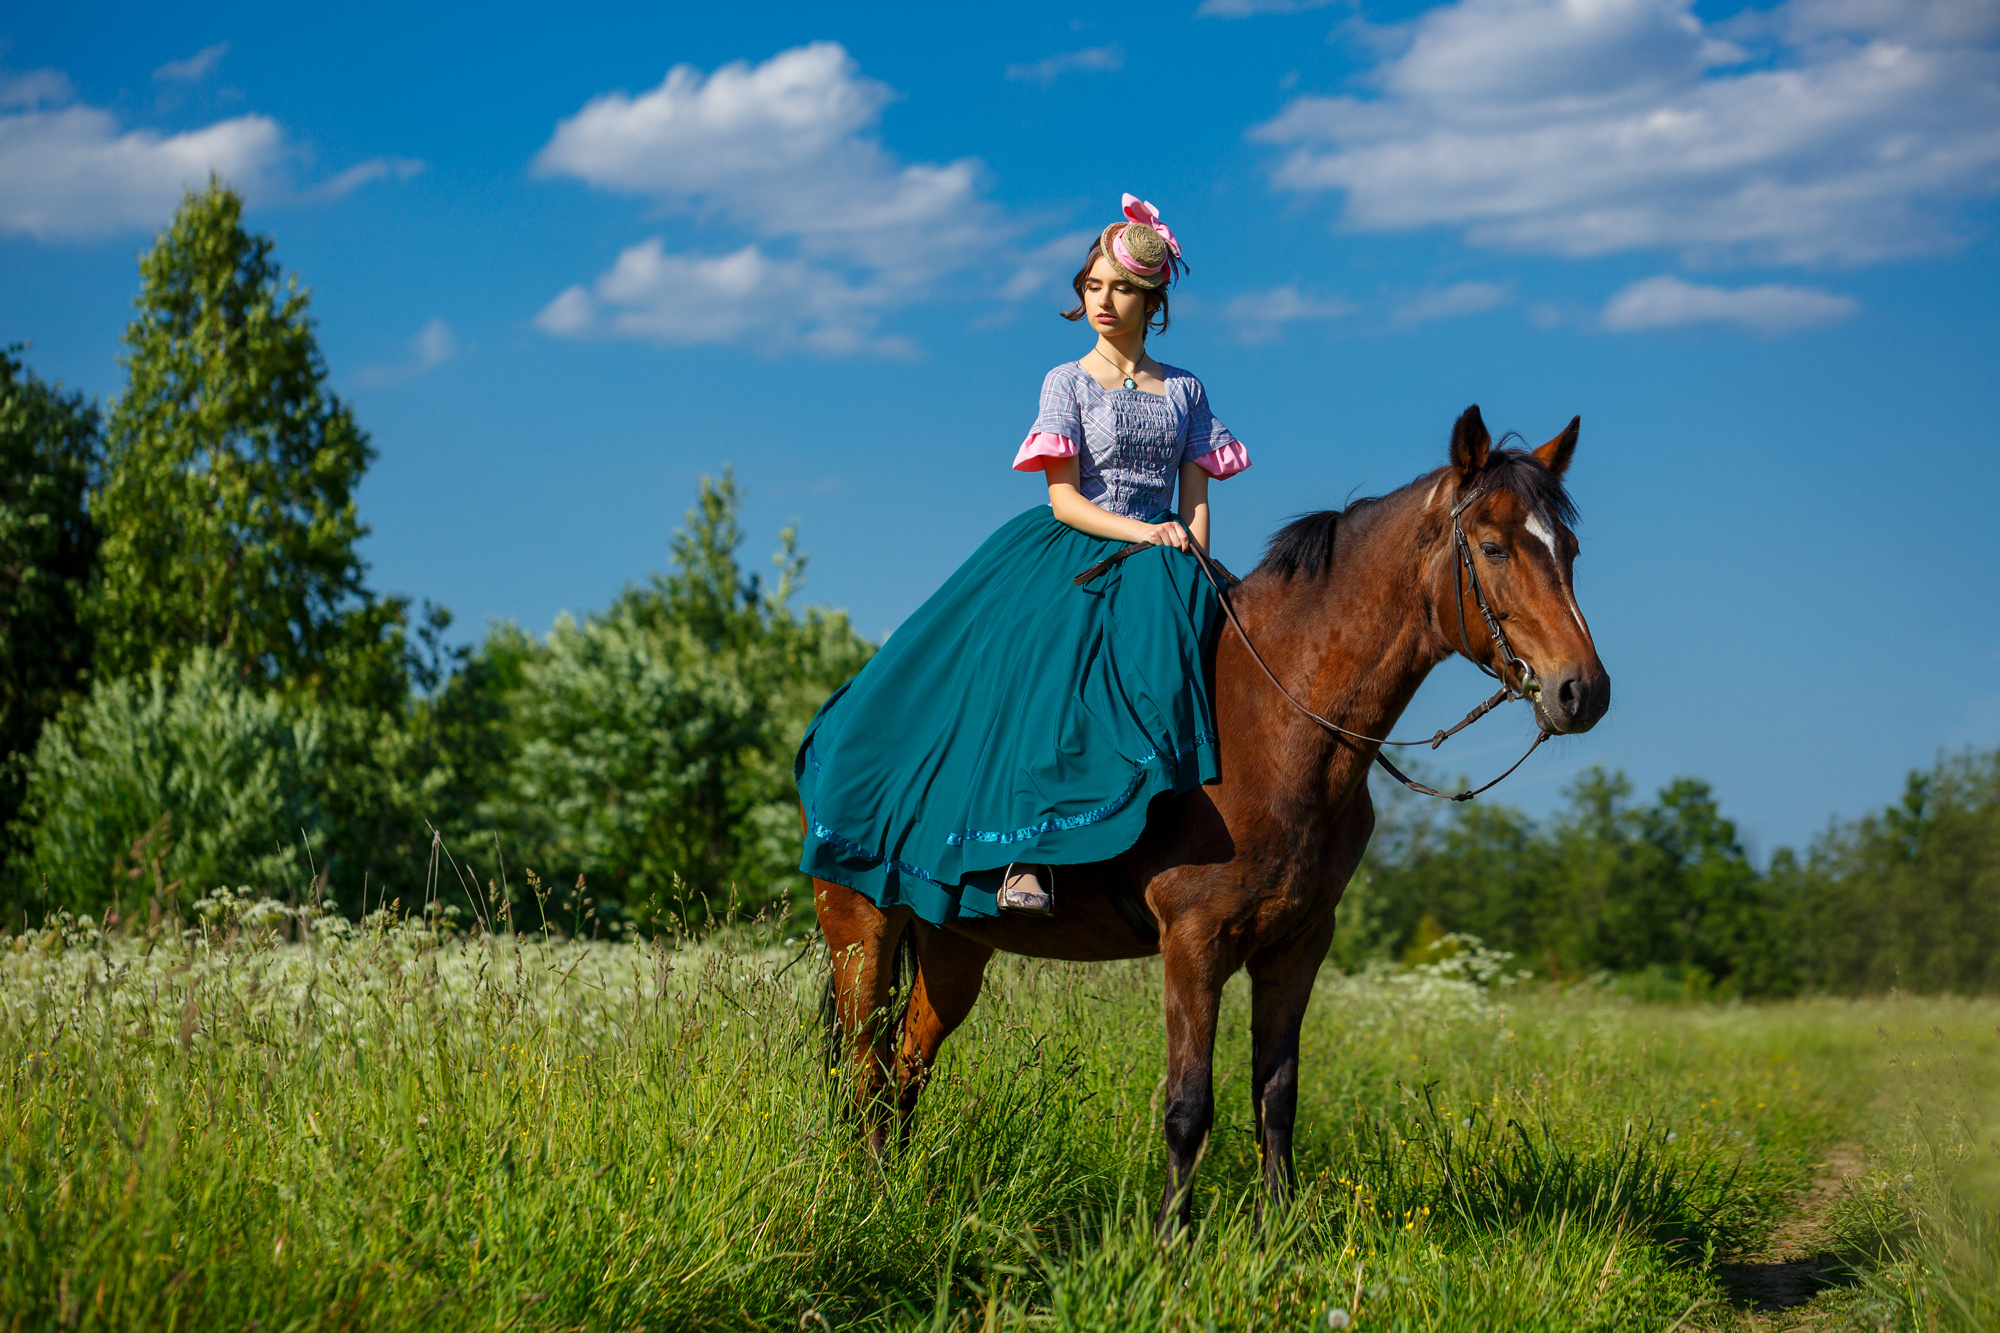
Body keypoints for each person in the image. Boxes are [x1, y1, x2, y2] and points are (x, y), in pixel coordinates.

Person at [796, 194, 1251, 920]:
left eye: (1123, 287)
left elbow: (1196, 502)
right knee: (1042, 661)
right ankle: (1023, 851)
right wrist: (1143, 534)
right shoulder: (1065, 382)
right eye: (1094, 284)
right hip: (1080, 544)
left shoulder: (1186, 389)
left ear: (1153, 297)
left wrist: (1192, 550)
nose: (1104, 300)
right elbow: (1063, 501)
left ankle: (1182, 831)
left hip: (1169, 553)